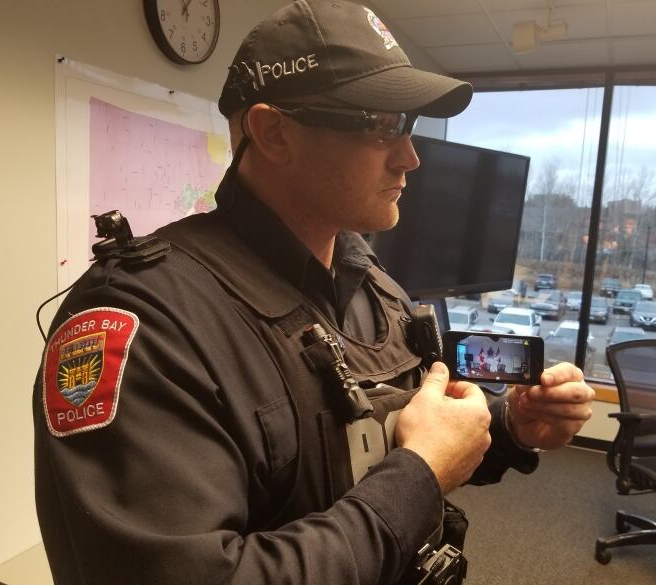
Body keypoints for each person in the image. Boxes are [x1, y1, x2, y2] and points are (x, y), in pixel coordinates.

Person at [33, 1, 595, 584]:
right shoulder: (147, 320)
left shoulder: (372, 286)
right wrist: (420, 476)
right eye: (382, 124)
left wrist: (507, 427)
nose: (410, 156)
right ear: (274, 132)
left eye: (410, 127)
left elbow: (388, 440)